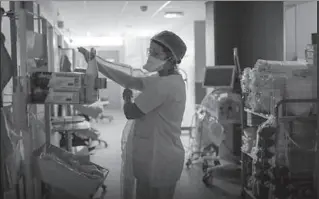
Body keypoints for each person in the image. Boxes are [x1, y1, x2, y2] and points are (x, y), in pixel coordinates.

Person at [78, 30, 187, 199]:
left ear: (172, 58)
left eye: (156, 54)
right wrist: (96, 63)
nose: (151, 57)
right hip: (156, 153)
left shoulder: (165, 85)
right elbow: (129, 80)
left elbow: (131, 112)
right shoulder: (166, 79)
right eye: (150, 52)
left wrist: (127, 98)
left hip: (159, 157)